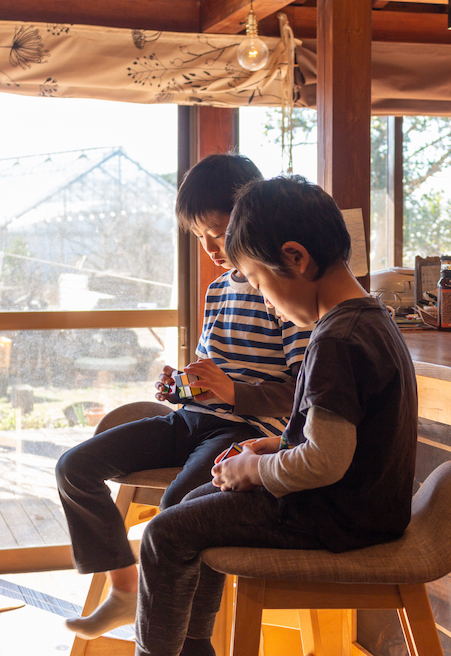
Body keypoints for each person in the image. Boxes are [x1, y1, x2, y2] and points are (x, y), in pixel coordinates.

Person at [134, 175, 418, 656]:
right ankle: (194, 646)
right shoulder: (367, 319)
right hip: (360, 506)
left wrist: (255, 469)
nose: (267, 302)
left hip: (333, 515)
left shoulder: (335, 341)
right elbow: (336, 434)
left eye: (262, 284)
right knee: (195, 503)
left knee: (165, 532)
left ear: (295, 257)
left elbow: (325, 463)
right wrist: (274, 446)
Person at [56, 155, 312, 640]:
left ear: (249, 219)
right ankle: (126, 593)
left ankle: (188, 637)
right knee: (73, 467)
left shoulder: (281, 288)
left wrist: (232, 392)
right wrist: (182, 384)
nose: (211, 248)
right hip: (192, 420)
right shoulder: (218, 290)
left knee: (178, 511)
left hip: (245, 432)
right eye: (200, 237)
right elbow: (209, 368)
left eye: (218, 233)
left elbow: (302, 394)